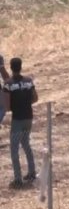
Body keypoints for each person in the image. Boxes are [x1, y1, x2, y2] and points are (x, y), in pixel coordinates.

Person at [1, 58, 38, 189]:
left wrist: (14, 107)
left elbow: (7, 106)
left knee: (14, 149)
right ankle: (32, 172)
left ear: (10, 68)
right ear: (21, 67)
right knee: (26, 144)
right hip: (29, 117)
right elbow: (35, 98)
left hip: (17, 120)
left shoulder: (8, 85)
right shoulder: (28, 81)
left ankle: (18, 179)